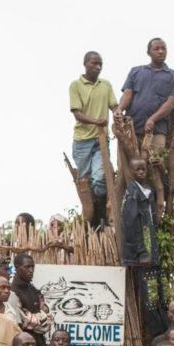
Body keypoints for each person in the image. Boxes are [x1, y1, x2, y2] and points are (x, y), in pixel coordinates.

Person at [69, 51, 118, 227]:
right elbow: (77, 113)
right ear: (85, 63)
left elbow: (114, 106)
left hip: (100, 139)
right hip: (82, 140)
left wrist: (118, 115)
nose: (98, 67)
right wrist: (96, 121)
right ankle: (90, 221)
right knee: (85, 181)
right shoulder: (76, 86)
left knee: (100, 177)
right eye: (94, 64)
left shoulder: (105, 85)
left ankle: (101, 217)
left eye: (100, 65)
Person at [120, 157, 168, 336]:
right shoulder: (132, 194)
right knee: (150, 301)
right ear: (131, 173)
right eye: (137, 170)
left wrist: (162, 172)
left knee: (162, 298)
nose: (141, 172)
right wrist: (142, 253)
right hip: (144, 258)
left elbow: (164, 190)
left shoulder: (146, 191)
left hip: (152, 255)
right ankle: (158, 336)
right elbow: (131, 226)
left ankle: (165, 333)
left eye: (143, 169)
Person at [119, 37, 174, 151]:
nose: (160, 51)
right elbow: (127, 94)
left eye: (163, 48)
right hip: (132, 129)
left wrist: (153, 119)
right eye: (156, 49)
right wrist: (119, 110)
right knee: (130, 166)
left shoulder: (173, 76)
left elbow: (170, 103)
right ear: (149, 53)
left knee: (155, 165)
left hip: (157, 132)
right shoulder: (136, 71)